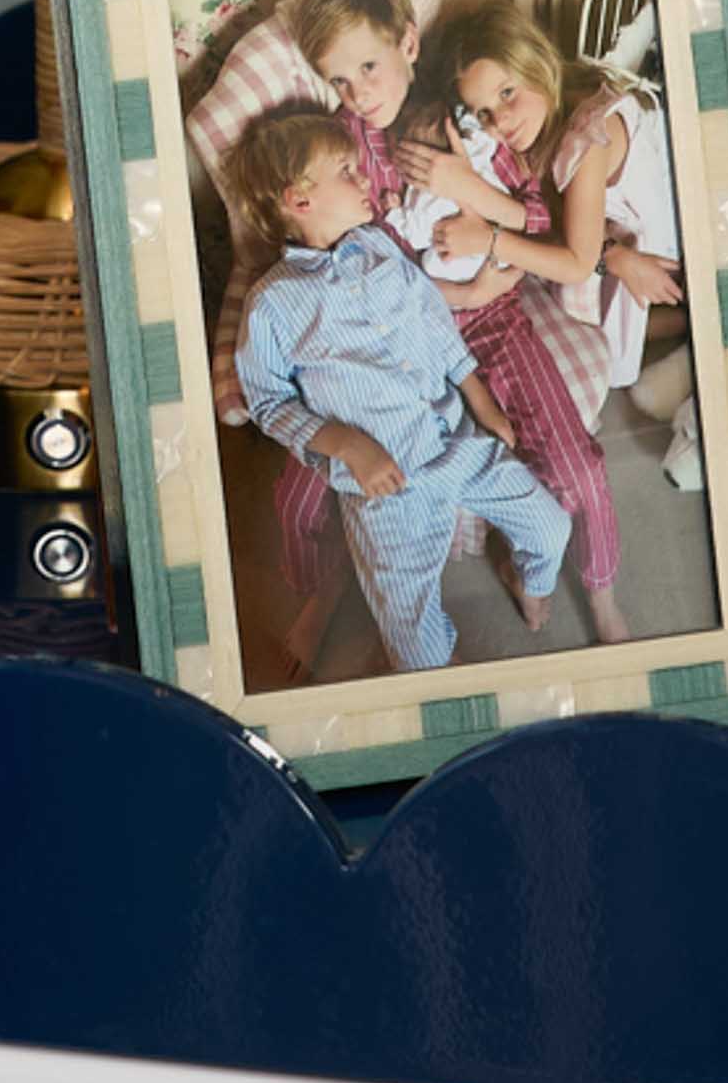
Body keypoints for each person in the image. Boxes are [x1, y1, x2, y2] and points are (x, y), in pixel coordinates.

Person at [293, 0, 634, 645]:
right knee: (309, 484)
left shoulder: (467, 118)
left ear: (408, 45)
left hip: (494, 319)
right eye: (338, 78)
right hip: (399, 337)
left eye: (368, 68)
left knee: (577, 468)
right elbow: (356, 266)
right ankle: (326, 592)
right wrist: (460, 288)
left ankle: (600, 592)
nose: (357, 94)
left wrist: (470, 201)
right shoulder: (336, 147)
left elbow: (540, 222)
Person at [222, 103, 569, 677]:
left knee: (550, 525)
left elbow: (435, 326)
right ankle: (428, 658)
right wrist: (346, 445)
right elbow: (265, 401)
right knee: (416, 650)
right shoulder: (274, 302)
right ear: (299, 201)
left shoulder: (382, 248)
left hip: (453, 443)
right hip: (385, 488)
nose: (366, 181)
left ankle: (528, 580)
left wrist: (480, 400)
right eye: (347, 173)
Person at [436, 0, 685, 386]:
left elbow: (576, 263)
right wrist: (613, 254)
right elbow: (551, 215)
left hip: (672, 234)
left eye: (506, 93)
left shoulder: (587, 138)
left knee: (583, 305)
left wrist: (488, 239)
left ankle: (691, 321)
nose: (499, 120)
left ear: (535, 64)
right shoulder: (537, 122)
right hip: (613, 232)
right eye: (484, 112)